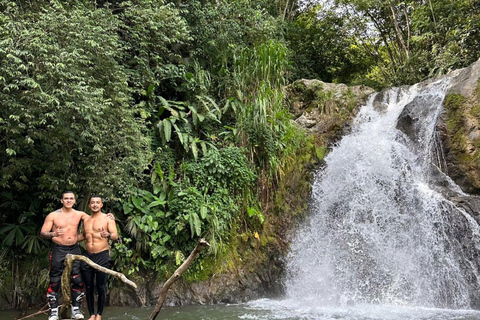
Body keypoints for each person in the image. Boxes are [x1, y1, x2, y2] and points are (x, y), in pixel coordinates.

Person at [40, 191, 114, 320]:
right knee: (55, 280)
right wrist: (53, 234)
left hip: (74, 248)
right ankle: (53, 311)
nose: (68, 200)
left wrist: (109, 216)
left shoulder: (80, 214)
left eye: (71, 199)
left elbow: (95, 217)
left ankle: (76, 309)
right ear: (62, 200)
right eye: (66, 198)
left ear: (74, 201)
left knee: (78, 279)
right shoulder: (53, 215)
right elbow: (43, 232)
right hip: (58, 249)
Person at [78, 195, 118, 320]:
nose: (95, 204)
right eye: (92, 202)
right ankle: (91, 314)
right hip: (88, 256)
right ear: (89, 205)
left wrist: (108, 234)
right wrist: (66, 238)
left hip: (102, 254)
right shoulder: (86, 220)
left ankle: (99, 314)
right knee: (88, 286)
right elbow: (83, 236)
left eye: (97, 202)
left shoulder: (108, 218)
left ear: (101, 205)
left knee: (101, 286)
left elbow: (115, 236)